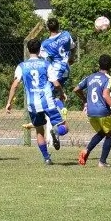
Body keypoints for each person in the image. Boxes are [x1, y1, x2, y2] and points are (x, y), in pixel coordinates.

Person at [5, 37, 65, 165]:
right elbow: (55, 83)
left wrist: (9, 102)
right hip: (47, 101)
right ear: (39, 50)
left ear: (28, 50)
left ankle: (46, 158)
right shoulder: (45, 64)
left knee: (39, 131)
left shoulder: (22, 66)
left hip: (32, 104)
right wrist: (62, 93)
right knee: (63, 127)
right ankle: (56, 131)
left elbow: (15, 85)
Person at [75, 54, 111, 167]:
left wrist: (84, 100)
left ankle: (86, 150)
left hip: (91, 112)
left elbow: (76, 89)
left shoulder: (90, 77)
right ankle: (102, 162)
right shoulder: (108, 79)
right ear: (110, 66)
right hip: (102, 111)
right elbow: (105, 95)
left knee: (101, 132)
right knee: (109, 134)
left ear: (98, 65)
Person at [39, 18, 76, 148]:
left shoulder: (45, 44)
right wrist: (70, 59)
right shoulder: (66, 35)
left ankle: (58, 110)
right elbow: (73, 48)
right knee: (54, 96)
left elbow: (44, 60)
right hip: (65, 69)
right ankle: (60, 107)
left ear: (48, 28)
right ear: (58, 26)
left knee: (47, 96)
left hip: (55, 72)